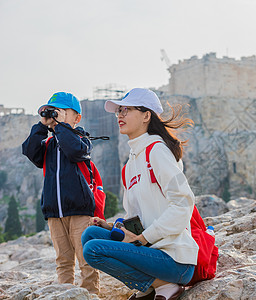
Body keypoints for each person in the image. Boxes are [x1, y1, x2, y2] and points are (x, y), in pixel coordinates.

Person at [82, 88, 198, 300]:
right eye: (119, 111)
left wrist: (144, 239)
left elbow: (184, 203)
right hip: (150, 253)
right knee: (90, 235)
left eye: (127, 110)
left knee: (93, 249)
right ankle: (150, 286)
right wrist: (112, 227)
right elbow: (137, 219)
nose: (120, 115)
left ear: (146, 116)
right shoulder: (131, 163)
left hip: (174, 258)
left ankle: (162, 285)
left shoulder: (157, 150)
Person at [22, 92, 99, 294]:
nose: (57, 116)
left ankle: (90, 295)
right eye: (54, 111)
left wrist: (61, 127)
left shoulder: (82, 137)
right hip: (54, 212)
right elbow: (30, 151)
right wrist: (42, 125)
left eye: (62, 112)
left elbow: (75, 151)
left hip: (80, 210)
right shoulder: (48, 145)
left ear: (77, 118)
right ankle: (67, 294)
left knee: (85, 259)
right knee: (63, 260)